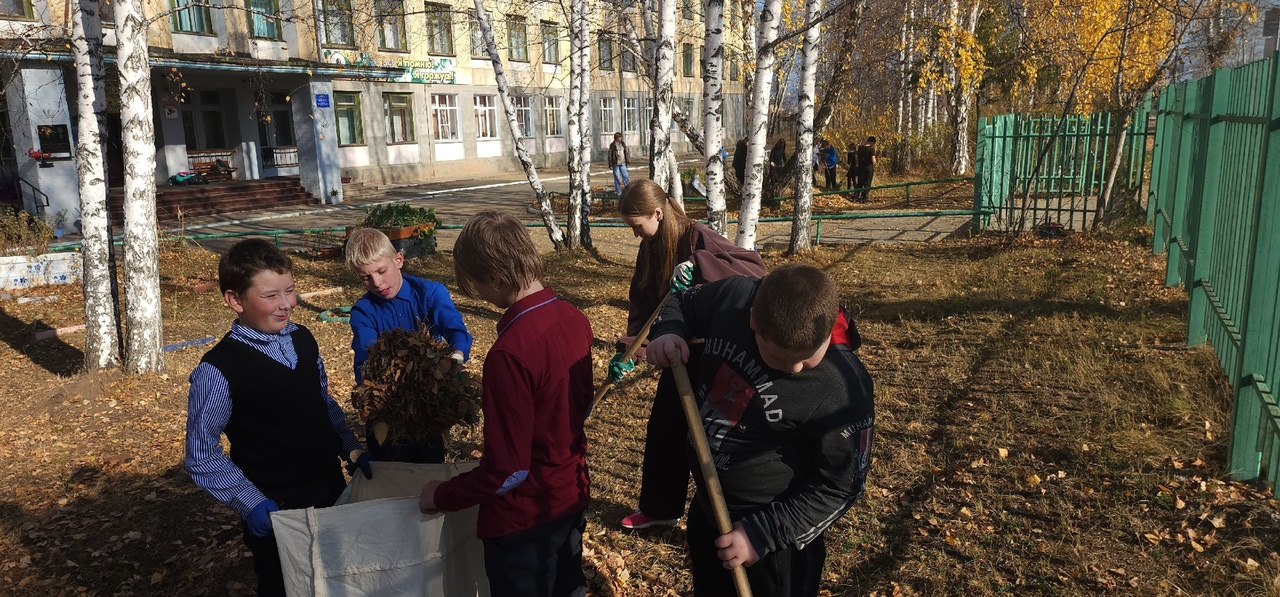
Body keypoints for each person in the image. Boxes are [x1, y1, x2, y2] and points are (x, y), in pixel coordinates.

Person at [645, 263, 875, 597]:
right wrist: (668, 330)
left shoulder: (843, 388)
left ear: (828, 332)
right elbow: (683, 302)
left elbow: (840, 486)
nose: (793, 369)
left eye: (808, 357)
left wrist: (762, 534)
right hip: (711, 505)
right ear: (752, 319)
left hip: (775, 540)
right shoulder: (733, 298)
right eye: (778, 357)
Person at [418, 211, 594, 597]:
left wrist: (441, 495)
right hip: (569, 496)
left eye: (477, 284)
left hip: (526, 521)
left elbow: (509, 471)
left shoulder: (510, 354)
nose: (478, 294)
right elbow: (581, 408)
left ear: (497, 278)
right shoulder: (573, 318)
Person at [185, 238, 372, 597]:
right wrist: (250, 502)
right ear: (235, 300)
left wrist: (350, 447)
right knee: (289, 586)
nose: (286, 304)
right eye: (270, 296)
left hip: (331, 491)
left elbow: (321, 402)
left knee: (340, 580)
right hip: (278, 511)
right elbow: (201, 454)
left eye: (290, 291)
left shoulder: (303, 339)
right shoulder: (219, 369)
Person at [611, 179, 766, 530]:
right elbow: (644, 305)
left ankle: (732, 519)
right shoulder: (649, 248)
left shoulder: (699, 237)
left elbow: (752, 272)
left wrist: (701, 265)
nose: (636, 235)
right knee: (665, 430)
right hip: (675, 354)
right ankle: (660, 508)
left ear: (657, 212)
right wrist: (629, 352)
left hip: (715, 355)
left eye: (637, 226)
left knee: (715, 438)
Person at [346, 227, 473, 463]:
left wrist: (456, 357)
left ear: (399, 260)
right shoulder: (363, 312)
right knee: (389, 474)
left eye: (381, 271)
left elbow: (456, 330)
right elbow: (366, 359)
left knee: (427, 471)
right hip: (386, 410)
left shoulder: (430, 293)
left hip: (426, 405)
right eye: (365, 277)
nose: (377, 282)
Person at [854, 136, 878, 203]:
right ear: (872, 142)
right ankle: (864, 198)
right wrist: (875, 163)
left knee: (860, 182)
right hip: (868, 168)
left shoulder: (860, 148)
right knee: (867, 183)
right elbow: (873, 160)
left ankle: (855, 196)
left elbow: (857, 158)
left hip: (861, 167)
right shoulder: (871, 149)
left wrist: (858, 165)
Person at [608, 132, 630, 197]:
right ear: (616, 138)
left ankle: (627, 191)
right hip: (616, 163)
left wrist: (627, 160)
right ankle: (618, 192)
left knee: (625, 177)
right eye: (619, 137)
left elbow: (625, 153)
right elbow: (609, 155)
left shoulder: (623, 144)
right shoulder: (612, 145)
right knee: (617, 178)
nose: (620, 138)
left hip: (623, 163)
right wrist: (610, 164)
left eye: (621, 137)